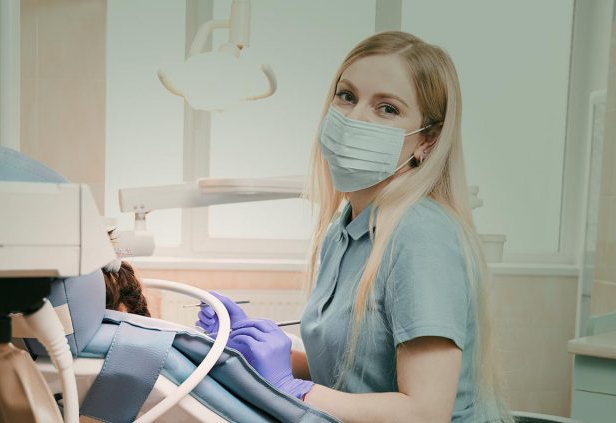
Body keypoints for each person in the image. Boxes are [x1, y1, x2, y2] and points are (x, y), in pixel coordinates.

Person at [197, 31, 511, 422]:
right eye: (347, 96)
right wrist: (254, 351)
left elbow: (425, 412)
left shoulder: (420, 234)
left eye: (387, 108)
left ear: (427, 141)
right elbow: (352, 378)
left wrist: (294, 389)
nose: (354, 117)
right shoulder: (343, 229)